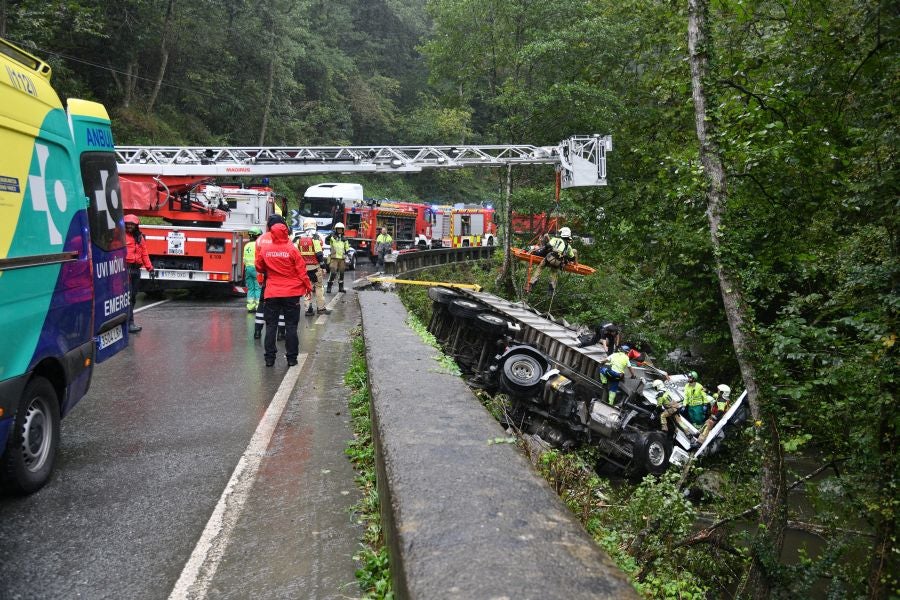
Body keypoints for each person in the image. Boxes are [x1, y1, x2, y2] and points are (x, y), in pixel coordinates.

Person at [255, 221, 311, 367]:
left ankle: (269, 358)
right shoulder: (292, 249)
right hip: (291, 293)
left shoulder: (266, 249)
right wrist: (307, 287)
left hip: (272, 292)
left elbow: (259, 266)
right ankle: (292, 358)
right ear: (286, 233)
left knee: (271, 326)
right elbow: (301, 270)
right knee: (291, 326)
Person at [253, 215, 288, 340]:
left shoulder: (260, 239)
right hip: (283, 278)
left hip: (266, 277)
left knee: (262, 304)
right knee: (282, 306)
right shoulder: (285, 239)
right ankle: (281, 333)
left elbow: (257, 262)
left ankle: (257, 331)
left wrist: (261, 277)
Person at [124, 214, 154, 333]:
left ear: (136, 226)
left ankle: (129, 322)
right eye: (128, 224)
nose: (130, 226)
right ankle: (128, 323)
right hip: (125, 270)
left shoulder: (139, 238)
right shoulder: (120, 236)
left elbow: (144, 253)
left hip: (136, 270)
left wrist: (150, 268)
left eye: (132, 224)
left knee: (133, 297)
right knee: (128, 297)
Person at [525, 227, 577, 294]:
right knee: (554, 272)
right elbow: (572, 258)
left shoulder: (555, 239)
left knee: (540, 267)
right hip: (559, 262)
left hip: (550, 257)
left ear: (562, 234)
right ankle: (551, 290)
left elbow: (548, 246)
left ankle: (532, 283)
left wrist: (547, 248)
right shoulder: (569, 247)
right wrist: (566, 260)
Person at [295, 218, 330, 315]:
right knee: (319, 287)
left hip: (303, 269)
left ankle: (308, 309)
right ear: (314, 225)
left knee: (307, 288)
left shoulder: (298, 238)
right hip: (315, 268)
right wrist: (323, 267)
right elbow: (319, 253)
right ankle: (321, 308)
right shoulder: (315, 237)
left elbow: (294, 254)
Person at [325, 222, 351, 293]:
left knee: (342, 273)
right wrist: (331, 235)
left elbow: (347, 248)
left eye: (341, 229)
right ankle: (329, 286)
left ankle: (341, 287)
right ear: (336, 230)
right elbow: (326, 241)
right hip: (334, 258)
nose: (339, 230)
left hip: (342, 258)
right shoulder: (332, 237)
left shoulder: (344, 239)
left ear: (343, 230)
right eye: (338, 229)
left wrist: (349, 255)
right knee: (333, 272)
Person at [243, 227, 262, 313]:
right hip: (256, 269)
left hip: (248, 269)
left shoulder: (247, 245)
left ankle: (250, 307)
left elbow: (244, 259)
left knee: (250, 288)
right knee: (258, 288)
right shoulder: (258, 245)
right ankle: (258, 306)